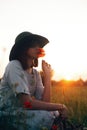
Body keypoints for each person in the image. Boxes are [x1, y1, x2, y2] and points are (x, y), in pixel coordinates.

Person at [0, 31, 68, 130]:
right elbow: (27, 103)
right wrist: (60, 106)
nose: (38, 48)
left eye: (38, 45)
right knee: (48, 115)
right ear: (23, 48)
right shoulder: (13, 66)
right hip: (7, 113)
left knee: (54, 113)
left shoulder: (35, 73)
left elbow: (46, 102)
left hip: (23, 112)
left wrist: (47, 76)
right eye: (32, 45)